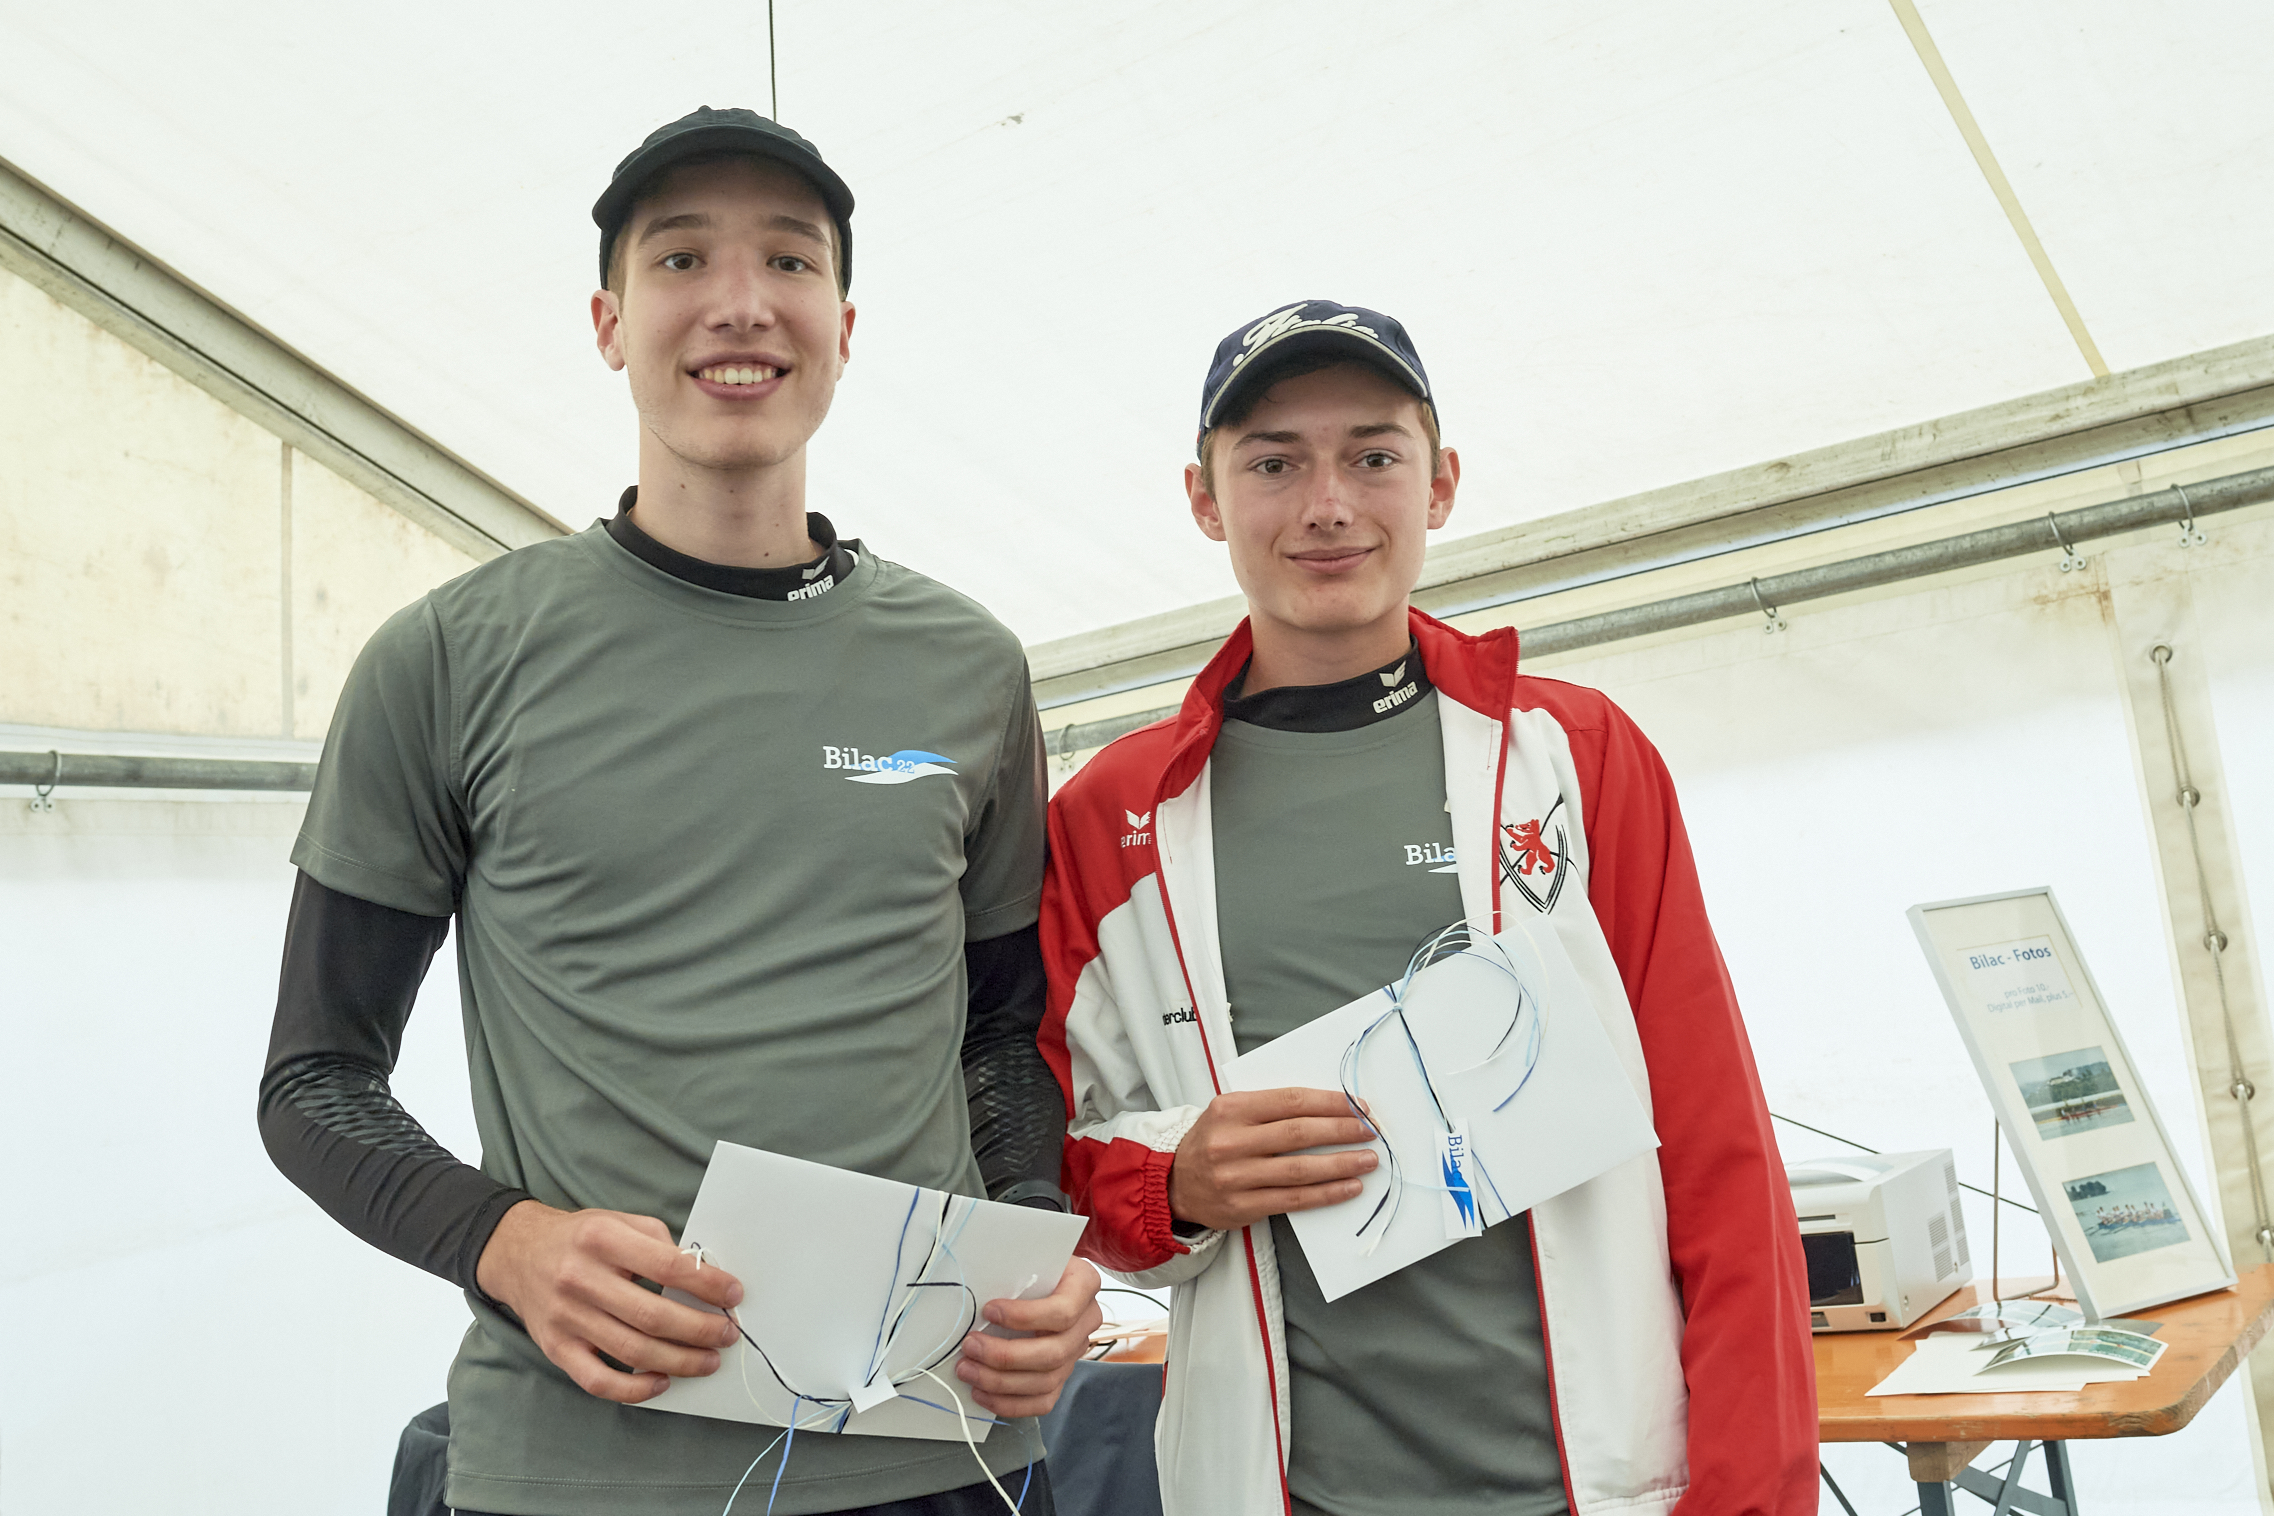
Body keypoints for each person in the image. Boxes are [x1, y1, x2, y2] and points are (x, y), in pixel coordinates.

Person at [258, 107, 1099, 1516]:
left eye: (790, 260)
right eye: (682, 259)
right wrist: (504, 1241)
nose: (741, 303)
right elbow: (315, 1082)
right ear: (608, 322)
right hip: (578, 1474)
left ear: (845, 326)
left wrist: (1032, 1236)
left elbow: (1000, 1034)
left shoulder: (968, 666)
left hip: (938, 1450)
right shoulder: (450, 658)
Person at [1038, 301, 1818, 1515]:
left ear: (1440, 482)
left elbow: (1717, 1150)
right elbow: (1044, 1160)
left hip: (1594, 1487)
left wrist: (1751, 1495)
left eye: (1373, 456)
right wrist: (1172, 1178)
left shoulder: (1577, 757)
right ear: (1204, 499)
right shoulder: (1110, 814)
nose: (1328, 504)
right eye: (1274, 463)